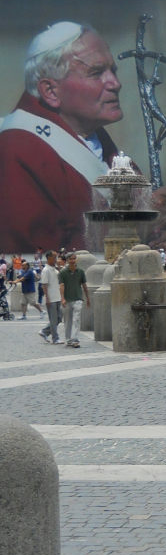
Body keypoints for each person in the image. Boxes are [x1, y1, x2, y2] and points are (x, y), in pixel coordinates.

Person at [0, 22, 123, 251]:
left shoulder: (104, 148)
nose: (116, 84)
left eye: (113, 71)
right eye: (96, 73)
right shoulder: (18, 151)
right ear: (51, 91)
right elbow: (31, 254)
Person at [59, 251, 90, 347]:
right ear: (67, 260)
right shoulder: (63, 272)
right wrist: (63, 298)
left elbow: (84, 285)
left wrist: (87, 298)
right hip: (67, 299)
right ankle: (68, 339)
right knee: (68, 320)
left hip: (78, 298)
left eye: (74, 258)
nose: (72, 260)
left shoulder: (80, 271)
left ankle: (75, 339)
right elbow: (61, 286)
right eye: (70, 259)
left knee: (76, 319)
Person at [39, 250, 64, 343]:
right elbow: (44, 285)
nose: (56, 259)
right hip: (51, 298)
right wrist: (47, 298)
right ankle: (55, 338)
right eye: (54, 257)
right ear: (49, 258)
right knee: (53, 319)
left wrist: (58, 267)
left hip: (57, 297)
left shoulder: (54, 269)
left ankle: (44, 331)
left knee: (59, 318)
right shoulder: (46, 270)